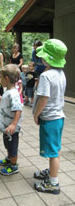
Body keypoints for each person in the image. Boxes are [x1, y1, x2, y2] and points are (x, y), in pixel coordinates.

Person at [32, 39, 68, 195]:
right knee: (56, 148)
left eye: (43, 56)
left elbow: (44, 98)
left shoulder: (46, 76)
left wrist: (36, 114)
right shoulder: (61, 74)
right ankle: (51, 171)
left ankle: (53, 183)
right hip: (59, 117)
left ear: (49, 58)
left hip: (50, 118)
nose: (41, 58)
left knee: (53, 152)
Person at [0, 64, 23, 176]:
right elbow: (7, 104)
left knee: (12, 147)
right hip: (7, 126)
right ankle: (9, 158)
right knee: (7, 143)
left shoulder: (14, 93)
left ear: (6, 78)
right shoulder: (8, 91)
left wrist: (13, 124)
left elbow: (18, 109)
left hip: (12, 128)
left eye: (0, 77)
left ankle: (14, 165)